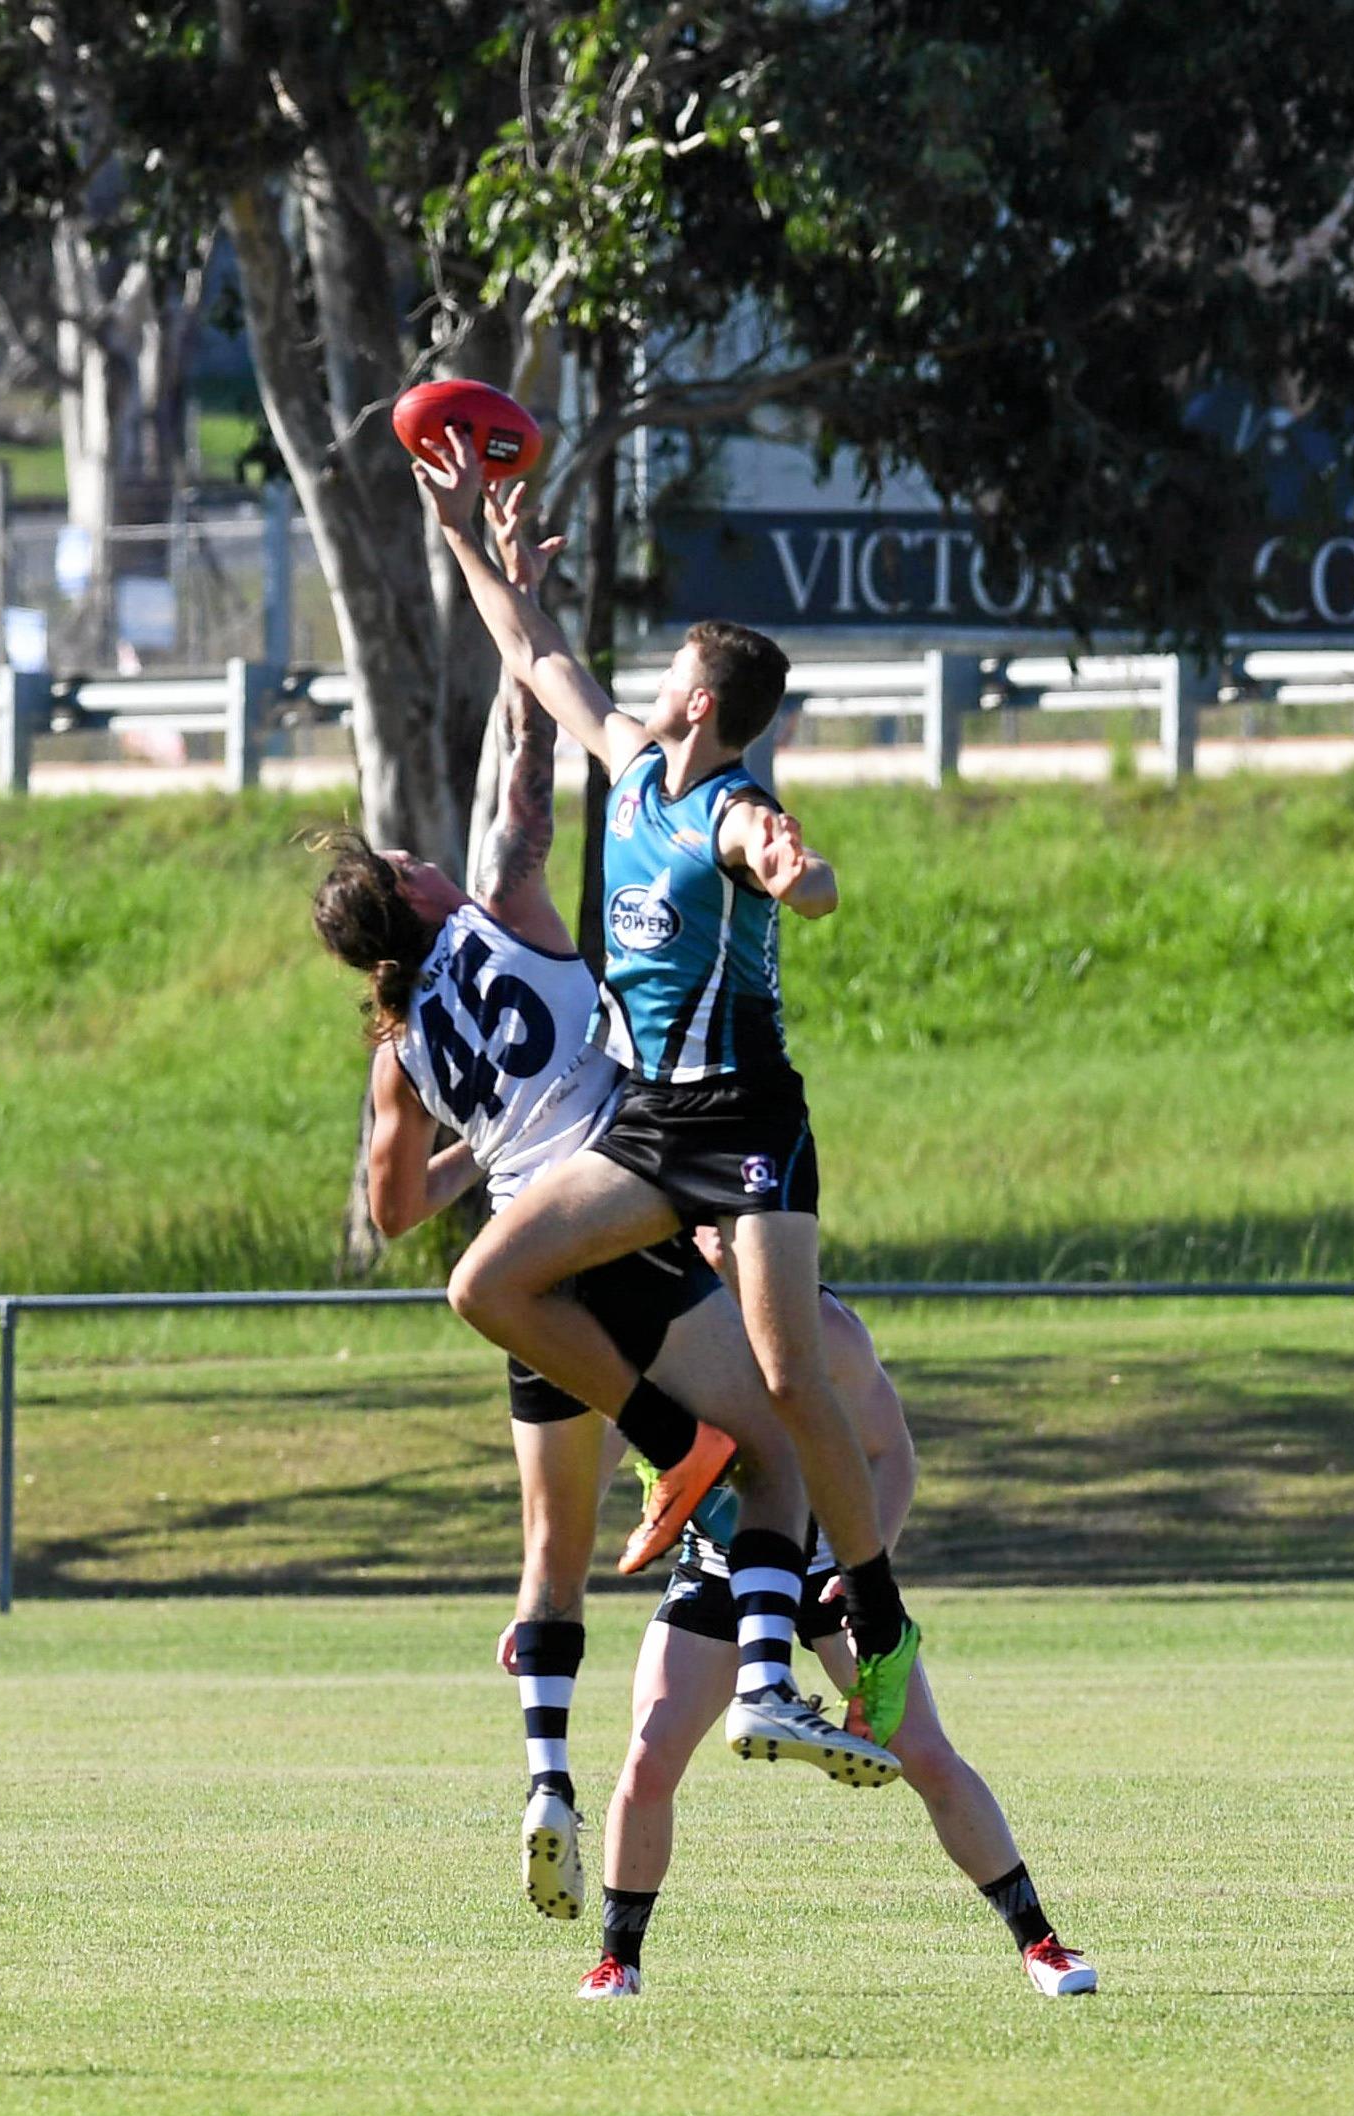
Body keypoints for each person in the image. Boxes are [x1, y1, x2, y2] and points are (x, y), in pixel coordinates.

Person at [309, 531, 898, 1926]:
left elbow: (394, 1207)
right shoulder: (531, 872)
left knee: (569, 1532)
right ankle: (789, 1643)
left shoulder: (403, 1038)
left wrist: (796, 870)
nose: (421, 851)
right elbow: (528, 706)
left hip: (620, 1193)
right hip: (627, 1187)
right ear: (422, 892)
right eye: (406, 853)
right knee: (787, 1399)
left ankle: (565, 1770)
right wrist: (474, 565)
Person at [415, 435, 925, 1779]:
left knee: (789, 1375)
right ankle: (674, 1446)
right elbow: (533, 649)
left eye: (672, 678)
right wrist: (467, 530)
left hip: (751, 1126)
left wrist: (801, 875)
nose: (650, 687)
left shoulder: (734, 811)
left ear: (707, 705)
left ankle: (879, 1623)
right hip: (650, 1128)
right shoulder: (634, 764)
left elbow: (787, 860)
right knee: (487, 1283)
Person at [575, 1277, 1098, 2002]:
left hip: (829, 1571)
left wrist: (867, 1567)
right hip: (718, 1571)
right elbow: (586, 1460)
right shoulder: (648, 1328)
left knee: (925, 1755)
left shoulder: (821, 1325)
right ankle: (617, 1962)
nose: (716, 1242)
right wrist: (543, 1603)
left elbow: (892, 1454)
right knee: (648, 1759)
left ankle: (1039, 1942)